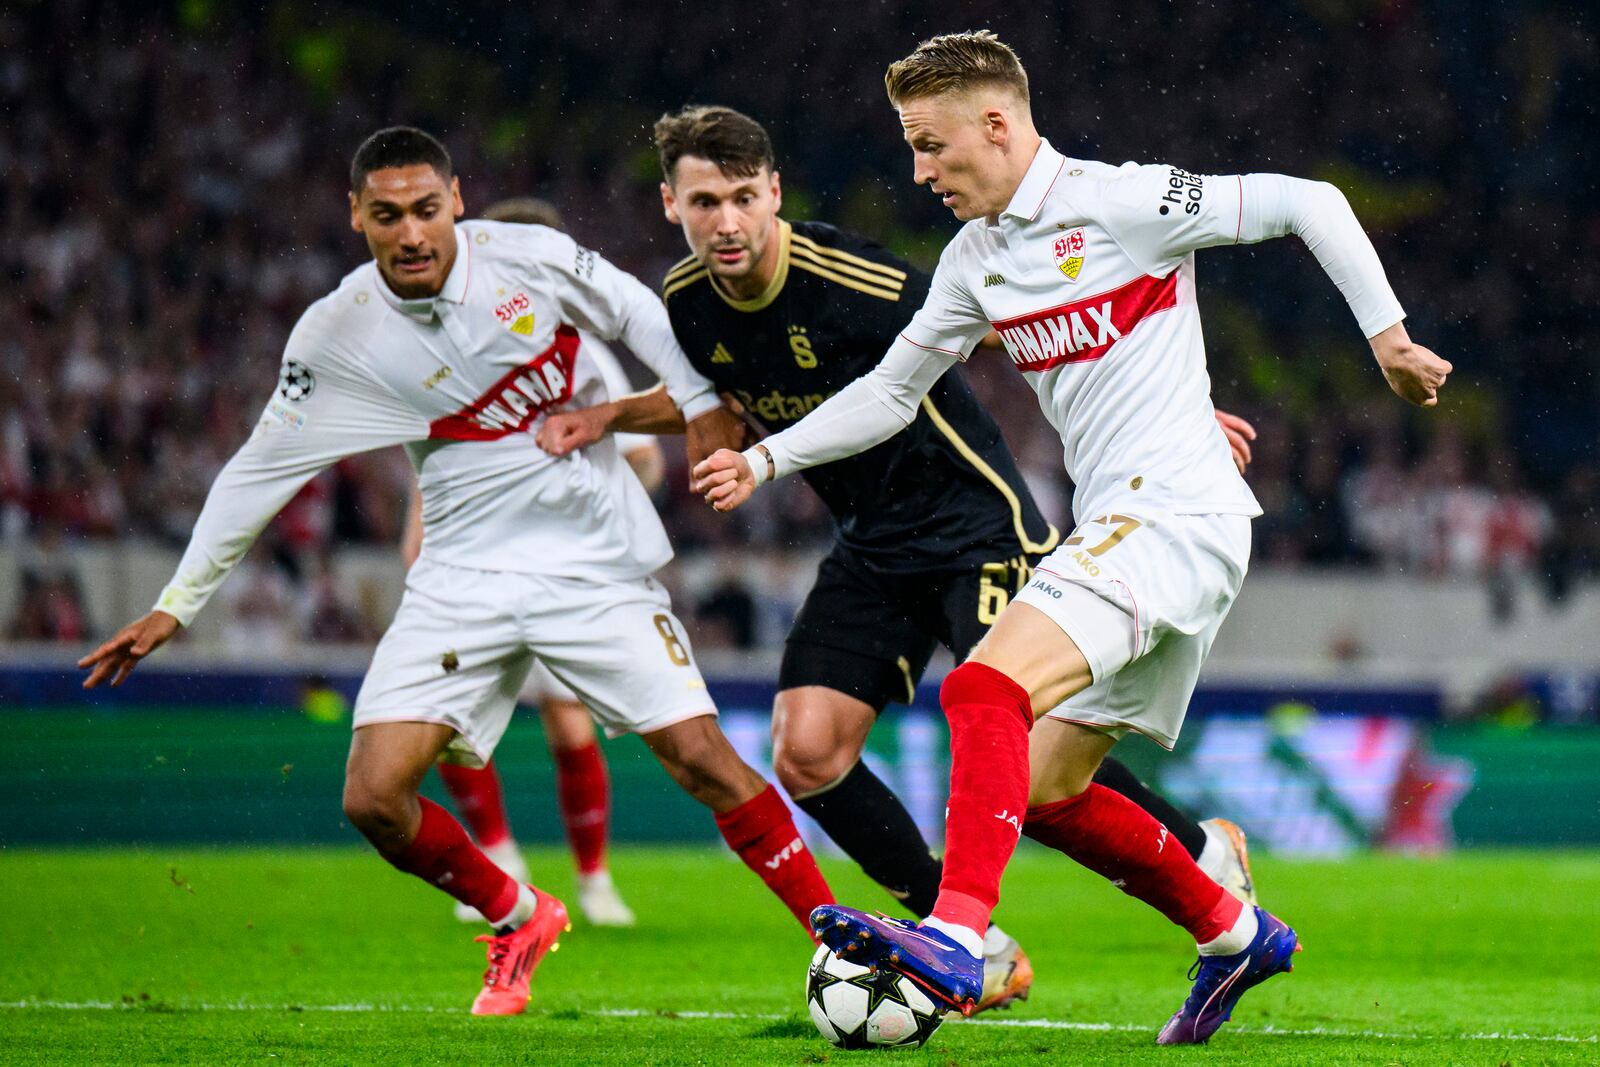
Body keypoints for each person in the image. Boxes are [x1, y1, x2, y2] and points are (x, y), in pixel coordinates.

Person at [692, 32, 1450, 1043]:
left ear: (996, 127)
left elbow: (1305, 200)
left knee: (979, 688)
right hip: (1135, 523)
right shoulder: (975, 259)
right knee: (1046, 788)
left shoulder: (1122, 201)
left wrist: (1387, 336)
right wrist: (766, 458)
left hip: (1172, 516)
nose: (917, 170)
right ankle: (1233, 931)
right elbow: (887, 392)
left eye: (930, 144)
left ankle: (957, 934)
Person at [79, 126, 835, 1016]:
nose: (411, 234)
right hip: (460, 579)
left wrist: (702, 402)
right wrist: (177, 603)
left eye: (427, 210)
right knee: (373, 797)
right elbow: (258, 469)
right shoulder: (335, 335)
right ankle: (519, 911)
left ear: (458, 201)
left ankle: (843, 940)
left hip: (587, 567)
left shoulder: (529, 259)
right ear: (355, 215)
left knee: (702, 759)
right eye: (388, 215)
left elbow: (634, 308)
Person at [539, 105, 1262, 1014]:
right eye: (701, 201)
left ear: (773, 195)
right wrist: (610, 416)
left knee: (1030, 739)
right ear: (670, 204)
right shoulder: (685, 301)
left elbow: (1011, 312)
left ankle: (1203, 853)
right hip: (872, 542)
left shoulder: (847, 274)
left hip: (973, 525)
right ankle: (970, 941)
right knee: (805, 752)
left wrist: (1175, 410)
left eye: (740, 199)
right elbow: (711, 395)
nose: (724, 221)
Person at [401, 195, 657, 929]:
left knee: (568, 726)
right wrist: (417, 524)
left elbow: (646, 460)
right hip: (471, 567)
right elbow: (434, 455)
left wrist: (588, 500)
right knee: (450, 721)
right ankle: (498, 852)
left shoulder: (584, 353)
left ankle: (594, 879)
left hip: (559, 572)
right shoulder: (453, 344)